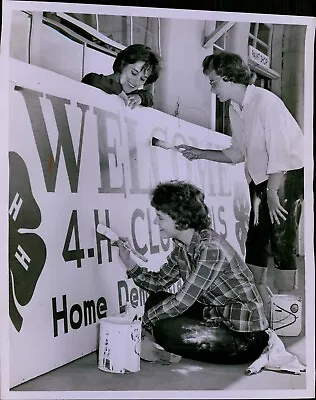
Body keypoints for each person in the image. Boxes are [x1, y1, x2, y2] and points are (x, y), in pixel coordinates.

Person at [175, 51, 304, 294]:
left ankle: (287, 305)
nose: (212, 89)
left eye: (214, 82)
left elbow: (280, 152)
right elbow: (237, 153)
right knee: (256, 237)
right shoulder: (236, 107)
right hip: (262, 177)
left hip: (288, 174)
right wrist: (199, 152)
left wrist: (273, 192)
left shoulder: (266, 102)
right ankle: (257, 297)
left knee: (282, 238)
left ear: (229, 77)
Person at [117, 180, 269, 364]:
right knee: (157, 300)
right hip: (216, 316)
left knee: (166, 330)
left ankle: (159, 344)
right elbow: (158, 282)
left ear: (181, 219)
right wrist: (128, 262)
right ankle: (159, 345)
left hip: (244, 337)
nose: (157, 222)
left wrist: (143, 323)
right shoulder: (182, 247)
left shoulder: (211, 249)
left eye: (161, 217)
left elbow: (183, 301)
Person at [81, 44, 161, 109]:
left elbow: (149, 98)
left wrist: (140, 98)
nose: (136, 82)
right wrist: (117, 89)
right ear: (123, 64)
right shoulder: (98, 80)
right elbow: (91, 79)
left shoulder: (131, 94)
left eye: (142, 79)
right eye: (134, 73)